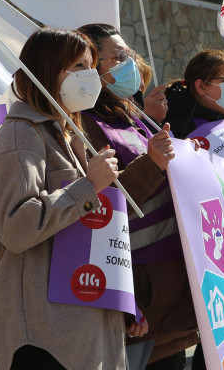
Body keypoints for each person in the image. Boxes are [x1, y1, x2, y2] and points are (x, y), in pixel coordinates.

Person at [0, 28, 146, 369]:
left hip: (80, 328)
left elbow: (87, 233)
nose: (91, 76)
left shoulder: (63, 133)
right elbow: (17, 228)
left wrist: (121, 299)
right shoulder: (21, 136)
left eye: (91, 65)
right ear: (49, 71)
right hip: (45, 336)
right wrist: (88, 186)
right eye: (79, 65)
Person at [77, 24, 200, 370]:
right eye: (117, 57)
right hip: (137, 290)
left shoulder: (129, 115)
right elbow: (101, 207)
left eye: (128, 55)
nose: (128, 63)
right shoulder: (84, 125)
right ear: (90, 65)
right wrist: (154, 162)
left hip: (168, 285)